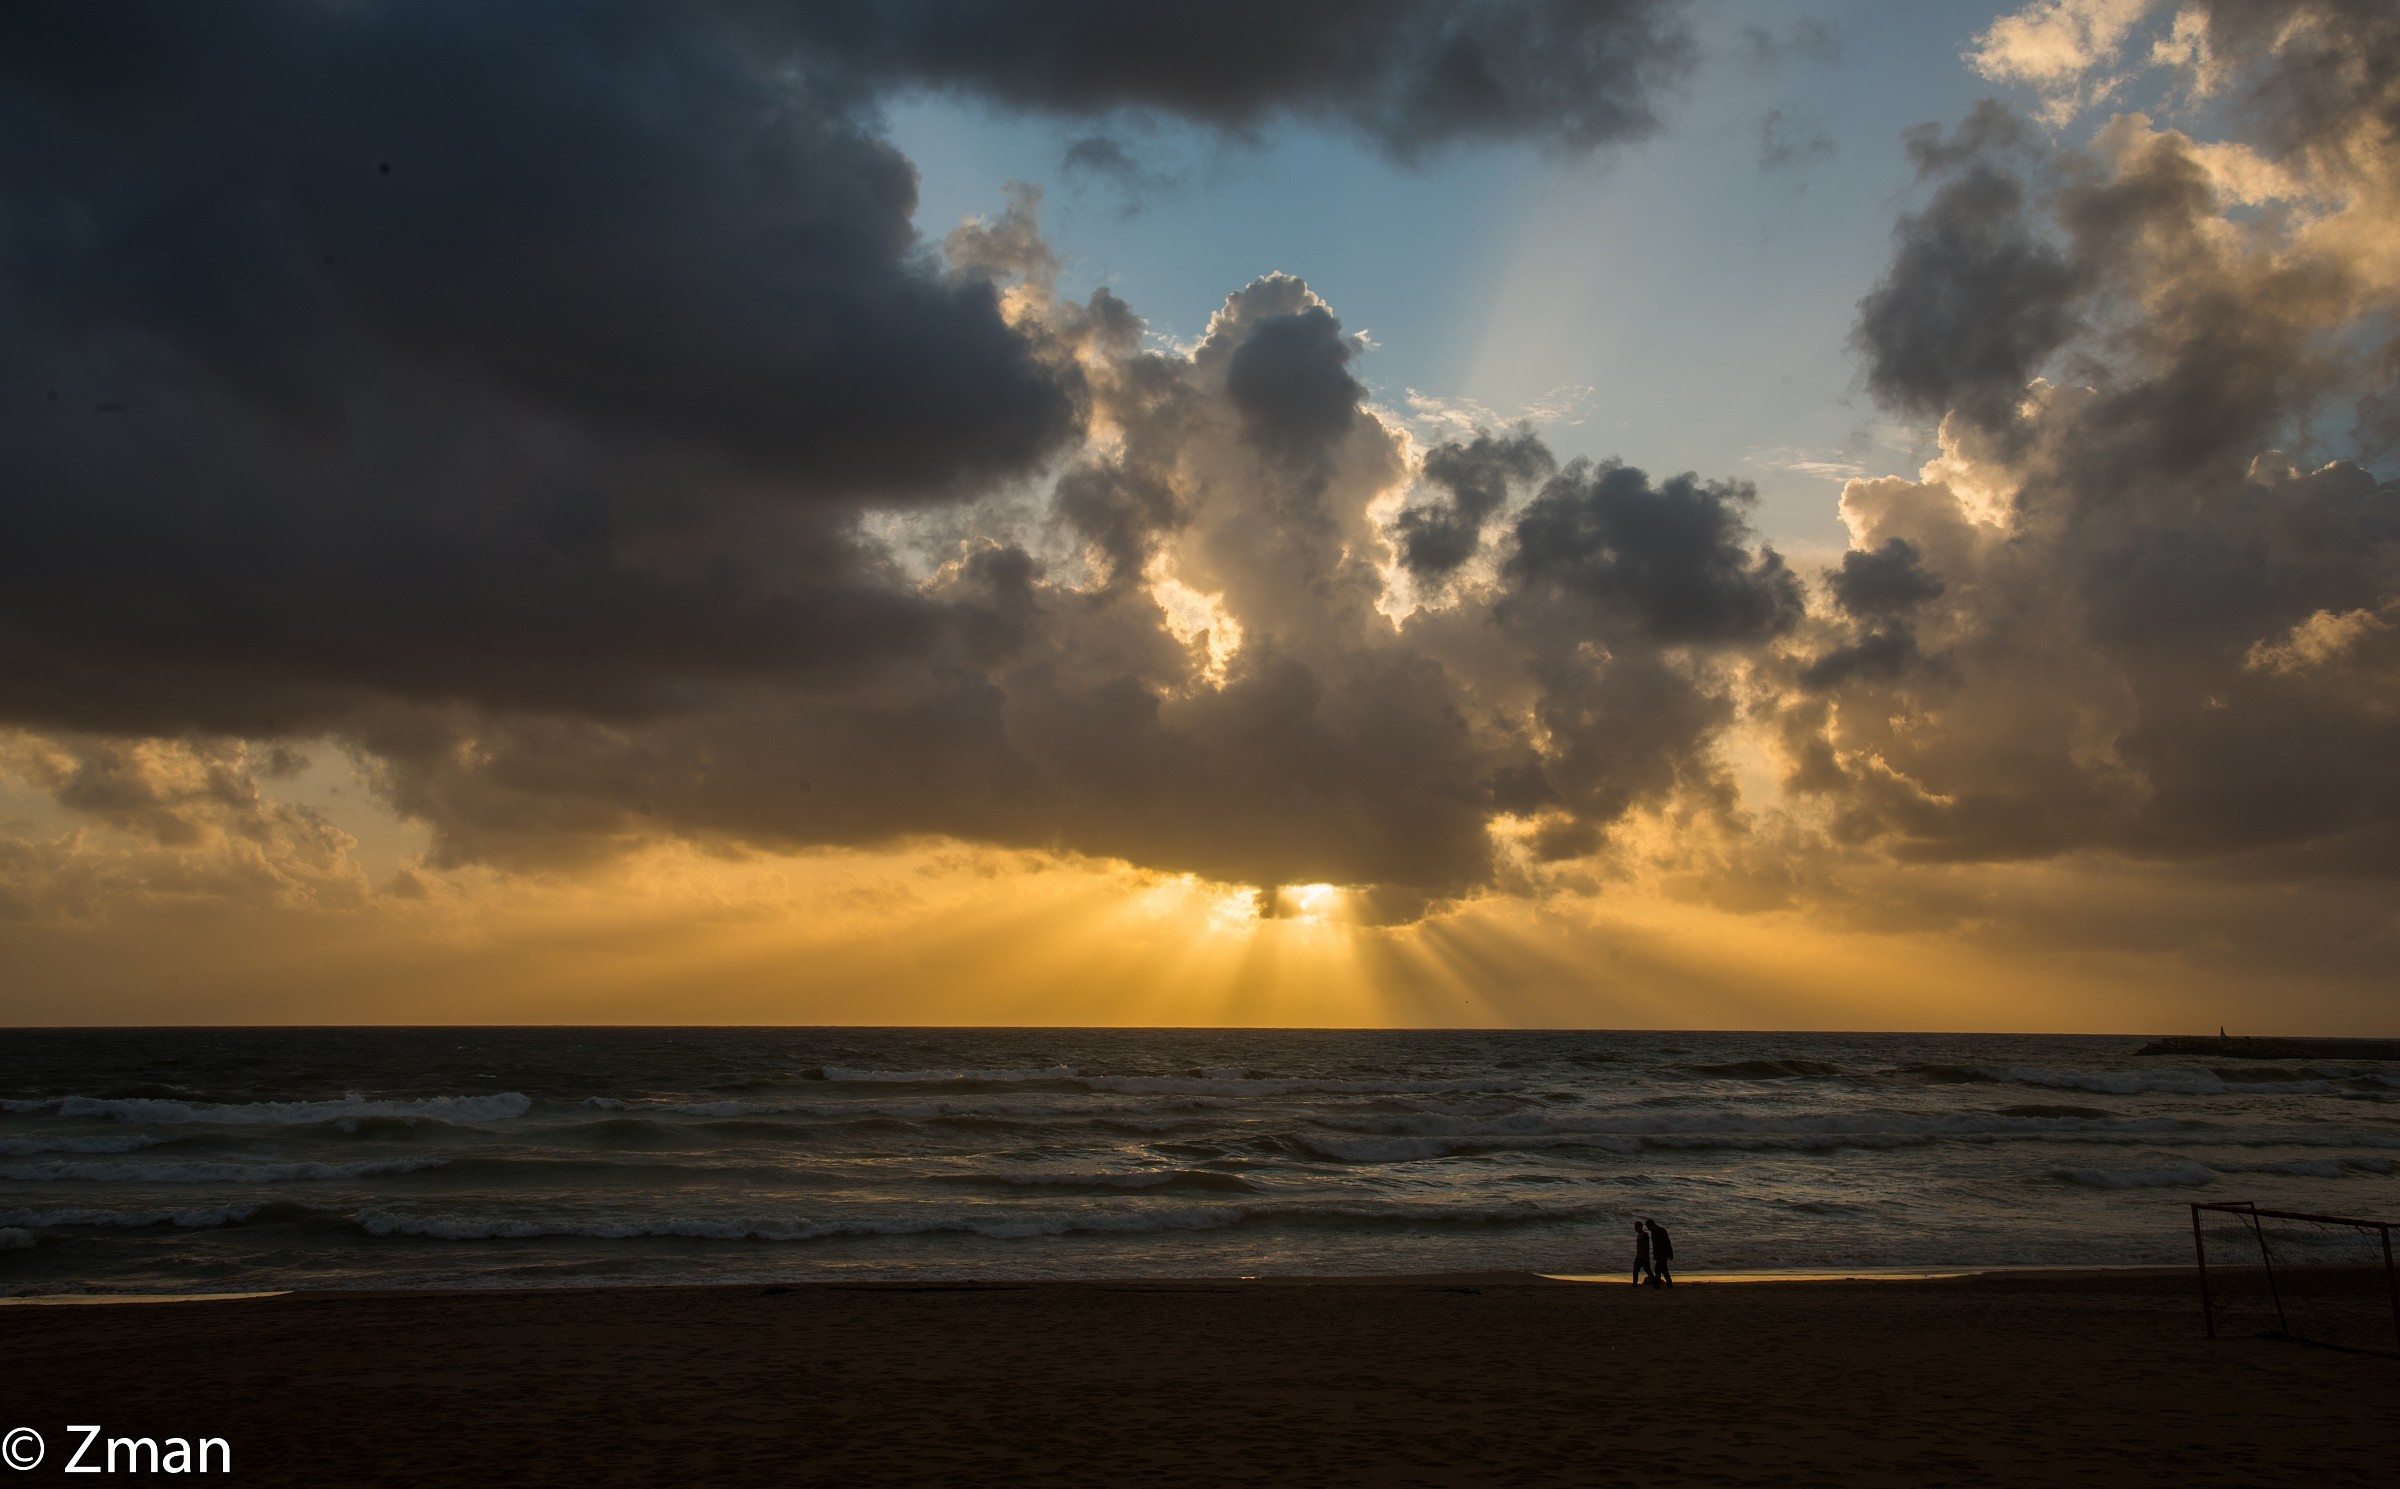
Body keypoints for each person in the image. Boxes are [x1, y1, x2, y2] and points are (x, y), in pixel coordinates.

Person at [1646, 1218, 1675, 1288]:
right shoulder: (1653, 1232)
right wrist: (1655, 1254)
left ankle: (1659, 1285)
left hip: (1663, 1253)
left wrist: (1670, 1253)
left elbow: (1667, 1243)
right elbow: (1655, 1245)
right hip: (1659, 1254)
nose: (1648, 1229)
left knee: (1660, 1269)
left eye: (1648, 1227)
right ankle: (1666, 1284)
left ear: (1651, 1225)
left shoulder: (1661, 1231)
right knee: (1662, 1269)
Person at [1631, 1220, 1652, 1286]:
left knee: (1648, 1271)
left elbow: (1646, 1247)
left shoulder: (1644, 1235)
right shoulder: (1639, 1235)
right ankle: (1634, 1284)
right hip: (1639, 1256)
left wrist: (1645, 1257)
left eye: (1636, 1227)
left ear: (1640, 1227)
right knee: (1635, 1270)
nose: (1635, 1228)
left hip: (1643, 1257)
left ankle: (1655, 1281)